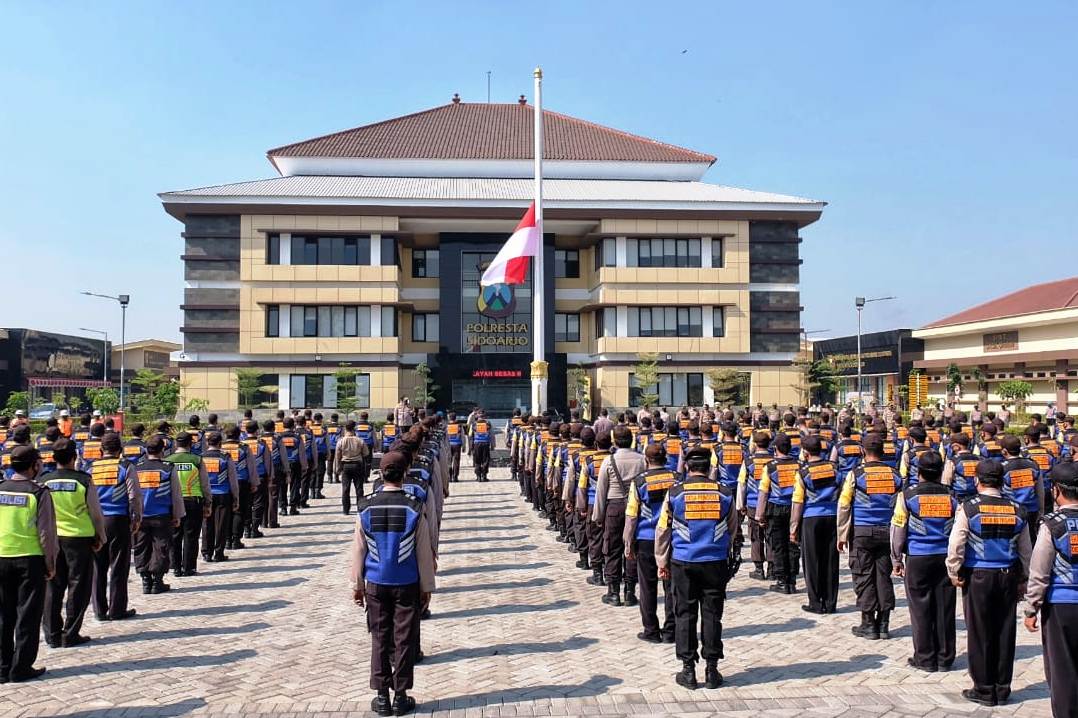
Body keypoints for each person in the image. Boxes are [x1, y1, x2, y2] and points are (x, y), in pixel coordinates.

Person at [351, 451, 435, 717]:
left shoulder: (365, 506)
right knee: (404, 639)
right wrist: (427, 587)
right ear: (405, 474)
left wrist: (357, 585)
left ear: (380, 474)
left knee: (380, 637)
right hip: (407, 581)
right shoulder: (414, 506)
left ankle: (381, 697)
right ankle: (400, 696)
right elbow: (423, 551)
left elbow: (359, 549)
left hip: (376, 582)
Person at [946, 459, 1032, 707]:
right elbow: (1026, 550)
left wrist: (953, 570)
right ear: (1002, 481)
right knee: (1005, 631)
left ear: (977, 480)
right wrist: (1025, 579)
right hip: (1008, 575)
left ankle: (984, 689)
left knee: (979, 631)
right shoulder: (1018, 509)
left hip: (979, 576)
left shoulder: (969, 507)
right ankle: (1002, 688)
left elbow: (957, 543)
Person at [655, 446, 740, 690]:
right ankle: (712, 669)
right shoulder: (724, 492)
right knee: (713, 615)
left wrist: (661, 561)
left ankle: (688, 670)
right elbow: (732, 528)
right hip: (714, 562)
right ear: (710, 467)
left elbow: (663, 529)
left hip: (683, 561)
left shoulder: (675, 493)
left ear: (687, 466)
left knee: (685, 613)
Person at [890, 451, 957, 672]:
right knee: (945, 607)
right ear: (940, 472)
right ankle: (945, 658)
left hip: (918, 557)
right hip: (945, 557)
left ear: (918, 472)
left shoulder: (907, 496)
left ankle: (925, 658)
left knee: (920, 609)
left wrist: (896, 558)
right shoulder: (952, 496)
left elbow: (898, 528)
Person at [1022, 462, 1078, 718]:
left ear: (1056, 490)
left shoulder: (1053, 525)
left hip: (1061, 606)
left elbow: (1040, 571)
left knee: (1062, 669)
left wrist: (1031, 607)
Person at [0, 446, 58, 682]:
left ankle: (3, 666)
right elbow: (46, 533)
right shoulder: (39, 492)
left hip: (2, 556)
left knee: (3, 615)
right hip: (30, 559)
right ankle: (21, 667)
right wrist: (50, 563)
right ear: (34, 465)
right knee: (28, 615)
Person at [41, 438, 105, 648]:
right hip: (79, 538)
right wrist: (100, 536)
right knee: (78, 586)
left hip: (52, 539)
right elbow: (95, 512)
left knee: (52, 586)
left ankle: (52, 634)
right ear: (74, 457)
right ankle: (70, 633)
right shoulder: (83, 480)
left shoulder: (44, 481)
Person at [838, 432, 902, 640]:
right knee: (883, 576)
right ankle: (883, 624)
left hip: (862, 532)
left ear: (862, 451)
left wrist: (841, 534)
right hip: (887, 532)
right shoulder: (895, 475)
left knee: (863, 576)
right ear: (883, 451)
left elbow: (844, 505)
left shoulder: (855, 474)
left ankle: (868, 624)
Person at [624, 443, 677, 643]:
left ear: (646, 460)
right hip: (671, 538)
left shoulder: (639, 482)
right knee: (671, 586)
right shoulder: (677, 479)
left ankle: (651, 630)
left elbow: (632, 515)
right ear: (666, 458)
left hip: (646, 538)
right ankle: (671, 630)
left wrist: (628, 542)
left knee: (647, 587)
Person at [592, 426, 645, 606]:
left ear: (614, 441)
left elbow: (601, 490)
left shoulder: (609, 461)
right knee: (631, 548)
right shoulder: (642, 460)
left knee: (612, 548)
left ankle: (613, 592)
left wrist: (598, 516)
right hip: (636, 507)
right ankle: (630, 591)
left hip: (613, 507)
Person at [790, 435, 840, 613]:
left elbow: (798, 502)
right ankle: (831, 602)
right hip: (832, 516)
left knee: (812, 562)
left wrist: (793, 528)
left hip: (811, 518)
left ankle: (816, 603)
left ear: (805, 452)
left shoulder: (803, 473)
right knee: (831, 560)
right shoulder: (835, 469)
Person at [132, 436, 184, 595]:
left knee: (141, 547)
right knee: (161, 548)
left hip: (141, 516)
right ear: (163, 450)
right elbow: (176, 493)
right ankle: (157, 581)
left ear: (146, 450)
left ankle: (145, 580)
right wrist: (177, 515)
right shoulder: (168, 468)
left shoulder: (136, 468)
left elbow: (132, 494)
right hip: (162, 515)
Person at [755, 434, 801, 594]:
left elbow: (763, 492)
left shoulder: (770, 467)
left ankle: (782, 581)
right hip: (795, 508)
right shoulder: (799, 465)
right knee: (793, 544)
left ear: (775, 448)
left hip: (776, 509)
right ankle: (792, 580)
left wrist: (760, 515)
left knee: (779, 546)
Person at [165, 432, 210, 577]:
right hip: (193, 501)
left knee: (175, 535)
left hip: (173, 502)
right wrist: (208, 502)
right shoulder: (197, 460)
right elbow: (204, 484)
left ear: (176, 444)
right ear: (190, 444)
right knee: (191, 535)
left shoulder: (167, 461)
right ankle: (188, 567)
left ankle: (175, 566)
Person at [200, 432, 240, 563]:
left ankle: (206, 552)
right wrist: (236, 497)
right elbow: (233, 479)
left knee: (207, 524)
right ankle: (218, 553)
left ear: (207, 443)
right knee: (221, 525)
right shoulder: (225, 457)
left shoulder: (201, 458)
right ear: (220, 443)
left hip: (206, 495)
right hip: (223, 494)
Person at [222, 426, 260, 550]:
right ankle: (236, 539)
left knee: (227, 512)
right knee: (239, 511)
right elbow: (251, 467)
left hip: (224, 484)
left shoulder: (221, 448)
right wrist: (254, 483)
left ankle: (227, 540)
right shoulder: (244, 448)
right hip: (242, 482)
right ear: (239, 435)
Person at [336, 421, 370, 515]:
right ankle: (360, 507)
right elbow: (366, 453)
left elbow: (338, 456)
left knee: (345, 489)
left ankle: (346, 509)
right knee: (359, 488)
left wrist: (338, 468)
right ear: (354, 429)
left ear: (345, 429)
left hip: (345, 466)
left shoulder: (341, 441)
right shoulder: (359, 440)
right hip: (357, 465)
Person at [470, 413, 492, 482]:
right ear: (484, 417)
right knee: (485, 460)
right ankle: (484, 476)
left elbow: (470, 435)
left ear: (478, 417)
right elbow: (491, 434)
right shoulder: (488, 424)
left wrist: (471, 446)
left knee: (477, 460)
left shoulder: (474, 424)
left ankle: (478, 476)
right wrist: (492, 444)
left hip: (477, 444)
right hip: (486, 443)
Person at [445, 412, 464, 482]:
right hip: (457, 445)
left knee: (448, 461)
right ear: (455, 418)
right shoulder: (459, 426)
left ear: (449, 418)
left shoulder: (446, 426)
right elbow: (462, 436)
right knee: (456, 461)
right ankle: (455, 477)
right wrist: (464, 445)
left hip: (448, 445)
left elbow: (444, 437)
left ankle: (449, 477)